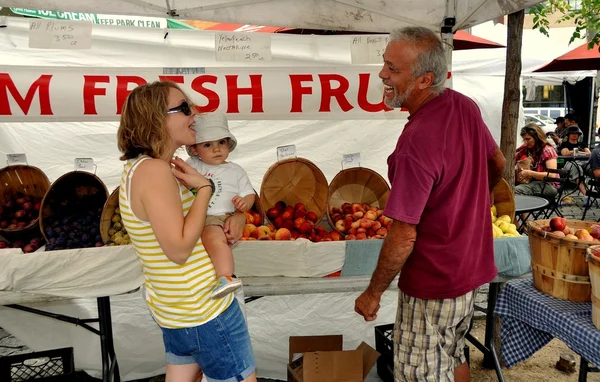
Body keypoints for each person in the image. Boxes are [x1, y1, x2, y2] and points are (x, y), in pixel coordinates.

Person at [354, 26, 506, 382]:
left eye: (393, 69)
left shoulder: (416, 141)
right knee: (453, 353)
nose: (382, 75)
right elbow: (497, 163)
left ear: (424, 80)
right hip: (472, 271)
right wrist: (470, 201)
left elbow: (404, 234)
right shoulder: (463, 106)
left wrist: (373, 293)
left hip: (433, 283)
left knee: (420, 373)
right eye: (384, 64)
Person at [117, 81, 257, 382]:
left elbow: (187, 227)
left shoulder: (146, 167)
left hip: (178, 310)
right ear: (156, 118)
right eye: (183, 108)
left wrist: (236, 215)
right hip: (204, 310)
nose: (195, 114)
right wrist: (204, 189)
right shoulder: (154, 170)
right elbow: (179, 250)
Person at [185, 113, 256, 299]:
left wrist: (244, 205)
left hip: (219, 216)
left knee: (214, 239)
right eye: (207, 144)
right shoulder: (194, 165)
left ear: (228, 145)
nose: (216, 149)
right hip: (195, 217)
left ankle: (226, 276)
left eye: (221, 143)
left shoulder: (236, 170)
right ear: (194, 149)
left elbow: (249, 194)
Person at [514, 123, 559, 198]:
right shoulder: (527, 149)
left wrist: (529, 173)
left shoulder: (547, 150)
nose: (525, 142)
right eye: (524, 139)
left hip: (548, 184)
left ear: (537, 138)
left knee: (517, 190)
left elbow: (551, 175)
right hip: (533, 182)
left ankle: (525, 209)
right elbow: (512, 158)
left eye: (528, 139)